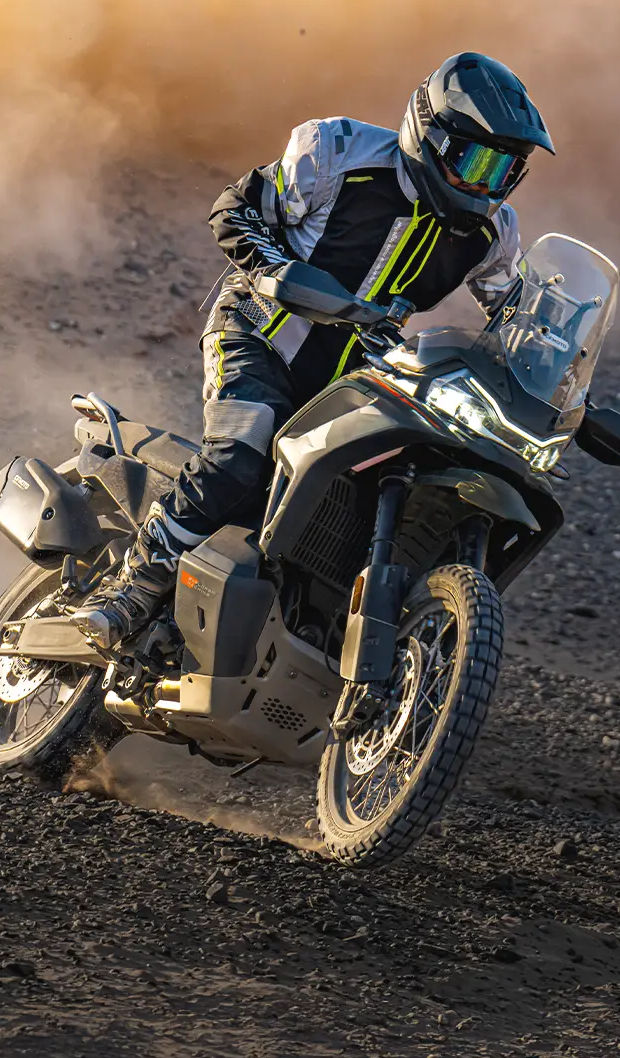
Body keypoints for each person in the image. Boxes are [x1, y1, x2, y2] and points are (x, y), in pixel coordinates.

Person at [72, 50, 555, 649]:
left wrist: (558, 380)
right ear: (431, 133)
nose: (485, 184)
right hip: (259, 333)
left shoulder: (494, 233)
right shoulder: (337, 153)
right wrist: (277, 272)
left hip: (353, 382)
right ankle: (131, 585)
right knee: (241, 451)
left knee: (347, 508)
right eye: (475, 161)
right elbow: (235, 209)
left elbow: (519, 319)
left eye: (503, 170)